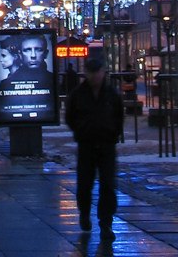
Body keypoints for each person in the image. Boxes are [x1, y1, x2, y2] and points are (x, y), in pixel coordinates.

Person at [65, 55, 124, 245]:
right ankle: (84, 213)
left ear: (103, 73)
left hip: (107, 144)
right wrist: (80, 131)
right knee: (85, 184)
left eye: (99, 72)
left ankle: (106, 223)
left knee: (108, 184)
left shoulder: (111, 94)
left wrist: (114, 133)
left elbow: (119, 115)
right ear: (87, 74)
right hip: (87, 143)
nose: (96, 76)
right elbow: (70, 116)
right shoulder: (78, 94)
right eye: (93, 73)